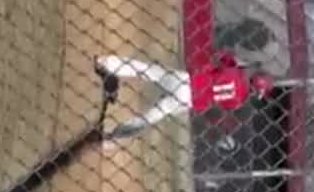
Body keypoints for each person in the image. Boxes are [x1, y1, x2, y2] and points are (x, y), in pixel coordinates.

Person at [97, 52, 275, 142]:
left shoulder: (235, 71)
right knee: (149, 118)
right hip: (187, 100)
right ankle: (113, 136)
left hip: (186, 80)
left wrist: (237, 63)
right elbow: (224, 103)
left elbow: (221, 57)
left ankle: (108, 63)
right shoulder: (239, 101)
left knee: (148, 71)